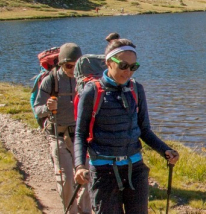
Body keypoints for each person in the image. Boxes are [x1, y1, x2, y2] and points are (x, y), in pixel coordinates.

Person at [73, 37, 179, 213]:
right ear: (108, 62)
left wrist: (165, 150)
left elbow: (144, 130)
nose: (128, 71)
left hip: (135, 170)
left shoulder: (137, 89)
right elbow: (80, 134)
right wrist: (79, 166)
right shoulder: (92, 91)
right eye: (123, 65)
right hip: (103, 171)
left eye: (133, 67)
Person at [33, 42, 91, 214]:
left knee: (88, 175)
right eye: (68, 66)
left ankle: (85, 209)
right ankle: (71, 211)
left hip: (81, 136)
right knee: (66, 180)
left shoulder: (85, 80)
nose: (73, 69)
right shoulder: (51, 81)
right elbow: (37, 109)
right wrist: (47, 108)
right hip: (58, 136)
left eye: (77, 65)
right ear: (61, 64)